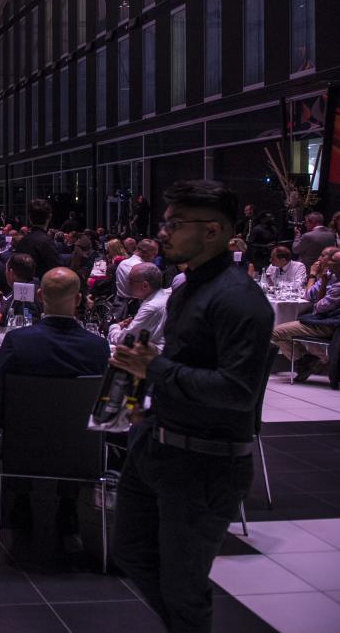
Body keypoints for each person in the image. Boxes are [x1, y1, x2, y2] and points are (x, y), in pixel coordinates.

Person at [110, 180, 274, 633]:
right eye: (166, 222)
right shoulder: (186, 289)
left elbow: (238, 391)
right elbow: (178, 365)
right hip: (157, 446)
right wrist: (140, 401)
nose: (164, 232)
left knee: (184, 586)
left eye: (176, 224)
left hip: (205, 462)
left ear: (214, 231)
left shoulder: (240, 300)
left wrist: (155, 368)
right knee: (131, 554)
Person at [0, 267, 108, 552]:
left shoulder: (18, 341)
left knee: (28, 423)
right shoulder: (98, 347)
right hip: (81, 450)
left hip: (23, 448)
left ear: (39, 296)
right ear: (78, 299)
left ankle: (22, 499)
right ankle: (68, 505)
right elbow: (102, 405)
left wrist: (13, 428)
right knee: (76, 426)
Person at [271, 250, 340, 382]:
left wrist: (321, 280)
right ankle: (312, 360)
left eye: (333, 260)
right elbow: (313, 299)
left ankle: (306, 362)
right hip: (332, 320)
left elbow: (318, 308)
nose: (328, 262)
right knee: (293, 323)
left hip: (330, 325)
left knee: (275, 332)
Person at [106, 263, 170, 350]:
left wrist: (114, 327)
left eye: (131, 281)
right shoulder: (167, 294)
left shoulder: (151, 307)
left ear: (145, 285)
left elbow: (124, 341)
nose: (128, 284)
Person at [15, 198, 61, 278]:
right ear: (49, 217)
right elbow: (57, 272)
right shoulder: (47, 242)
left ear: (29, 218)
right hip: (42, 288)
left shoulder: (22, 241)